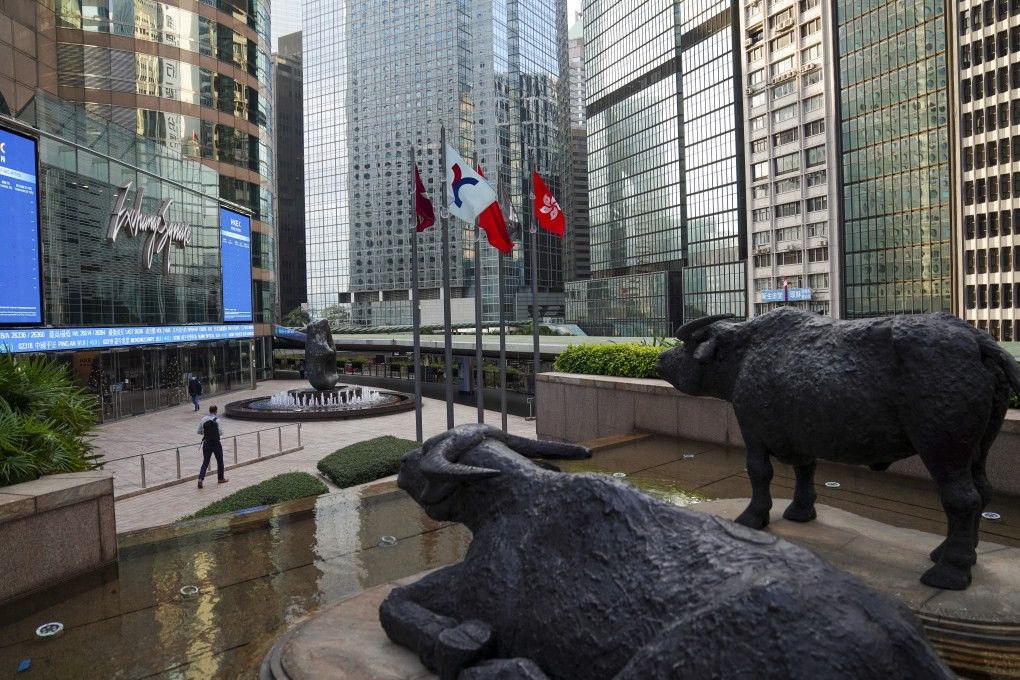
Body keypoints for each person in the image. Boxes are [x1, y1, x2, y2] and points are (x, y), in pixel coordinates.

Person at [196, 405, 227, 488]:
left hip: (207, 443)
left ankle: (200, 479)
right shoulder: (217, 420)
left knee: (205, 462)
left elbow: (199, 431)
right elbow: (220, 433)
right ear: (216, 411)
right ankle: (221, 478)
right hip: (216, 443)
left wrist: (207, 434)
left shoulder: (203, 419)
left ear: (209, 411)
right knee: (220, 461)